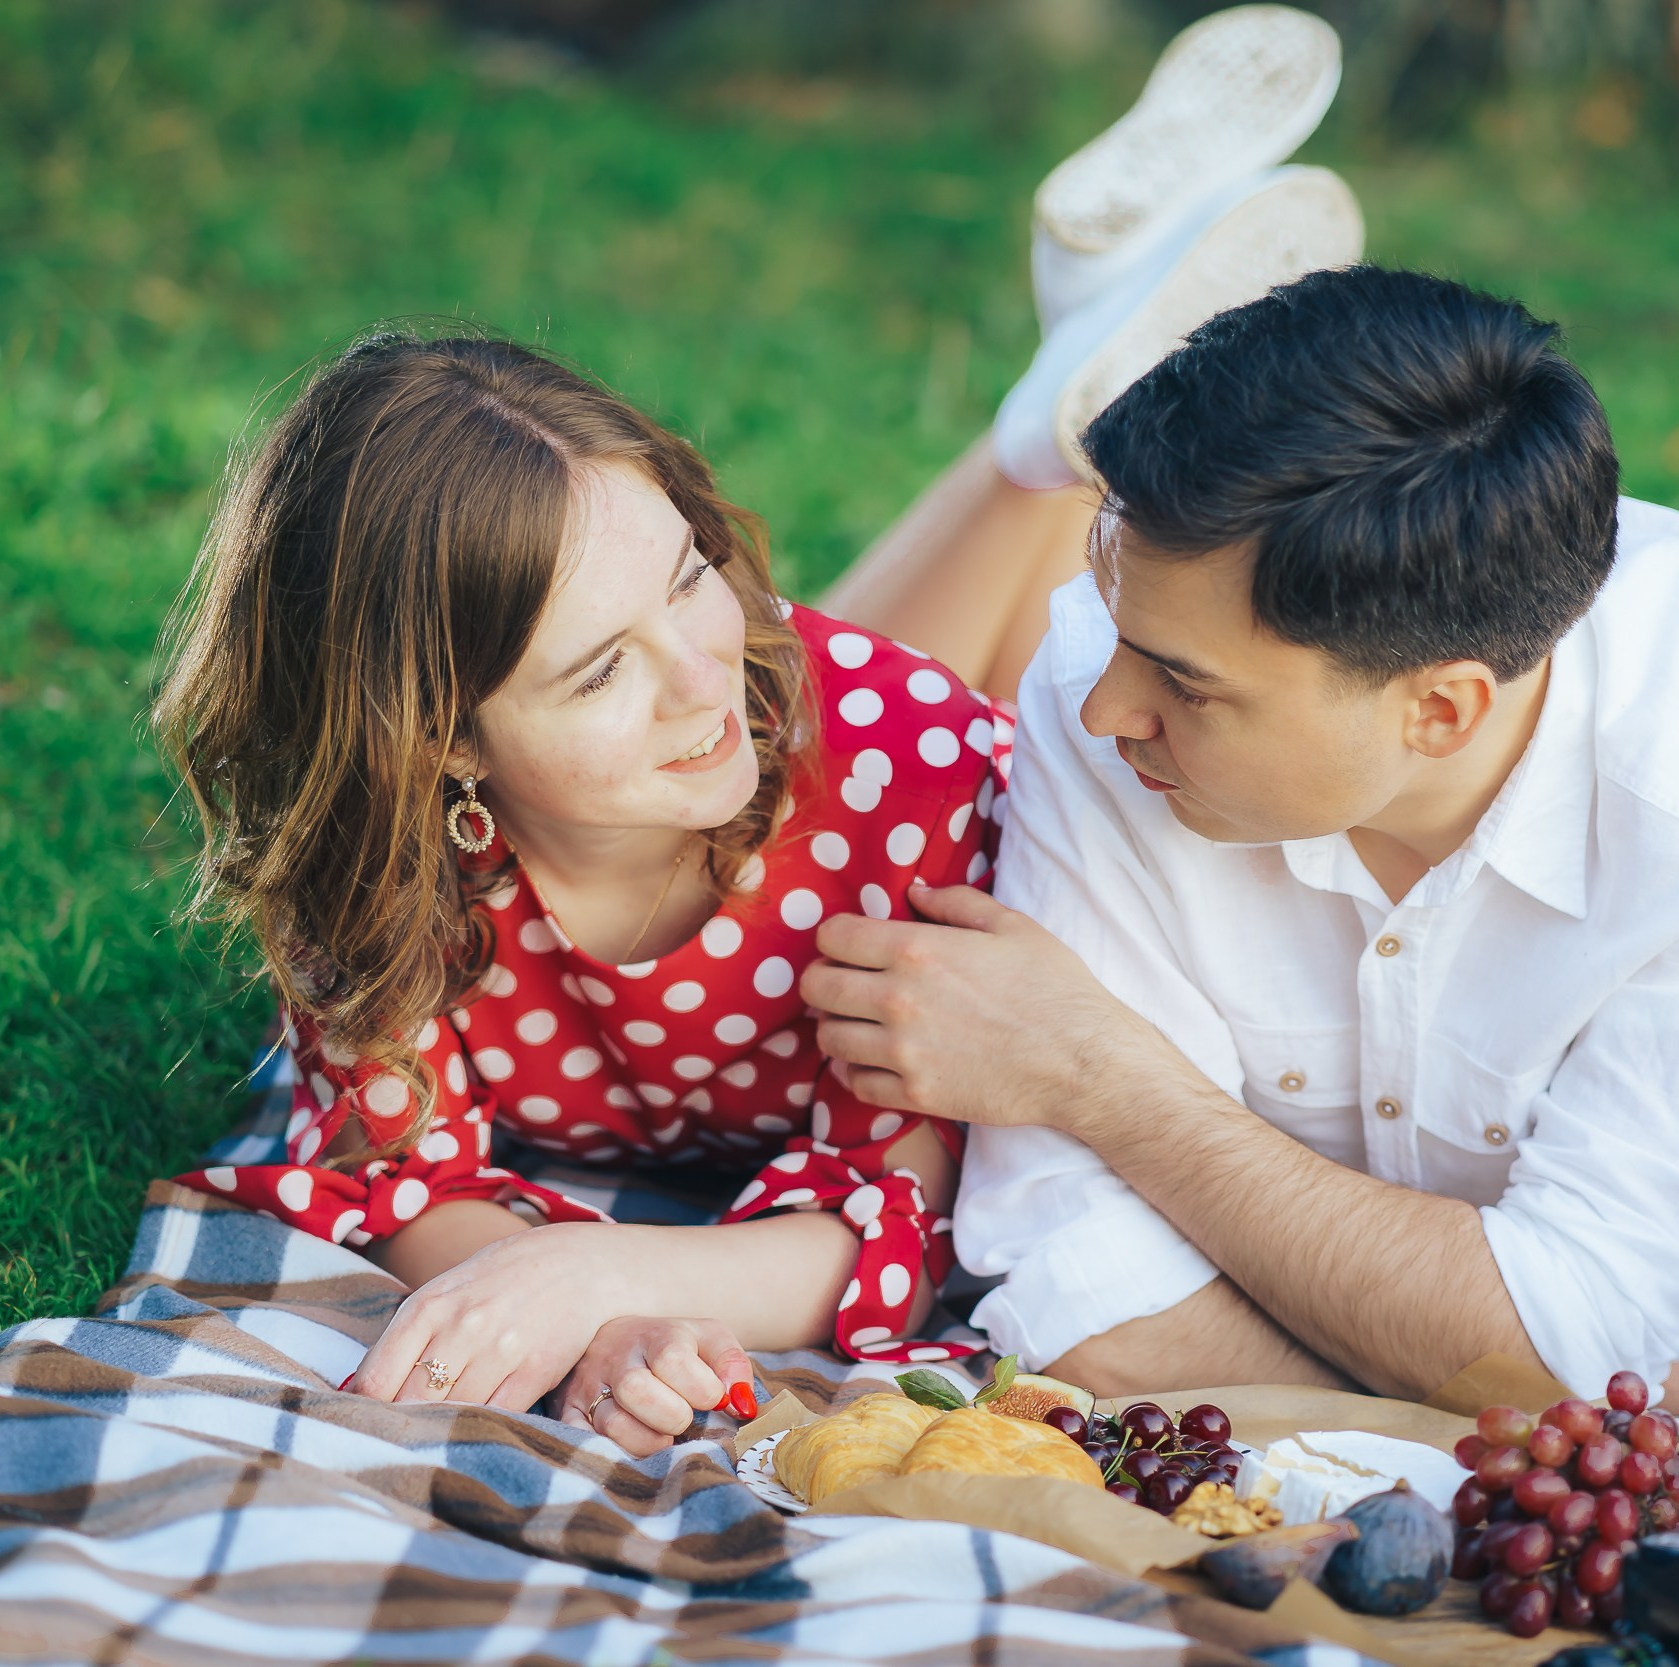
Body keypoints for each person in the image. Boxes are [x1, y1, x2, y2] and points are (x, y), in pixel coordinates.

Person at [151, 5, 1366, 1450]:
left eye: (690, 571)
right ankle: (1066, 394)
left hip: (914, 750)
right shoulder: (382, 873)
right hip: (836, 732)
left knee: (931, 677)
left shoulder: (906, 774)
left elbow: (899, 1216)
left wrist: (605, 1265)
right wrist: (603, 1313)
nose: (697, 680)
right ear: (439, 744)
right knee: (831, 680)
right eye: (598, 668)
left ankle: (1097, 420)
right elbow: (396, 1178)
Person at [797, 261, 1679, 1411]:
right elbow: (1091, 1312)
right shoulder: (1113, 671)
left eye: (1187, 686)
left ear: (1440, 710)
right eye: (1122, 637)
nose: (1103, 710)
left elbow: (1567, 1341)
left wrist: (1104, 1074)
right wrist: (1575, 1374)